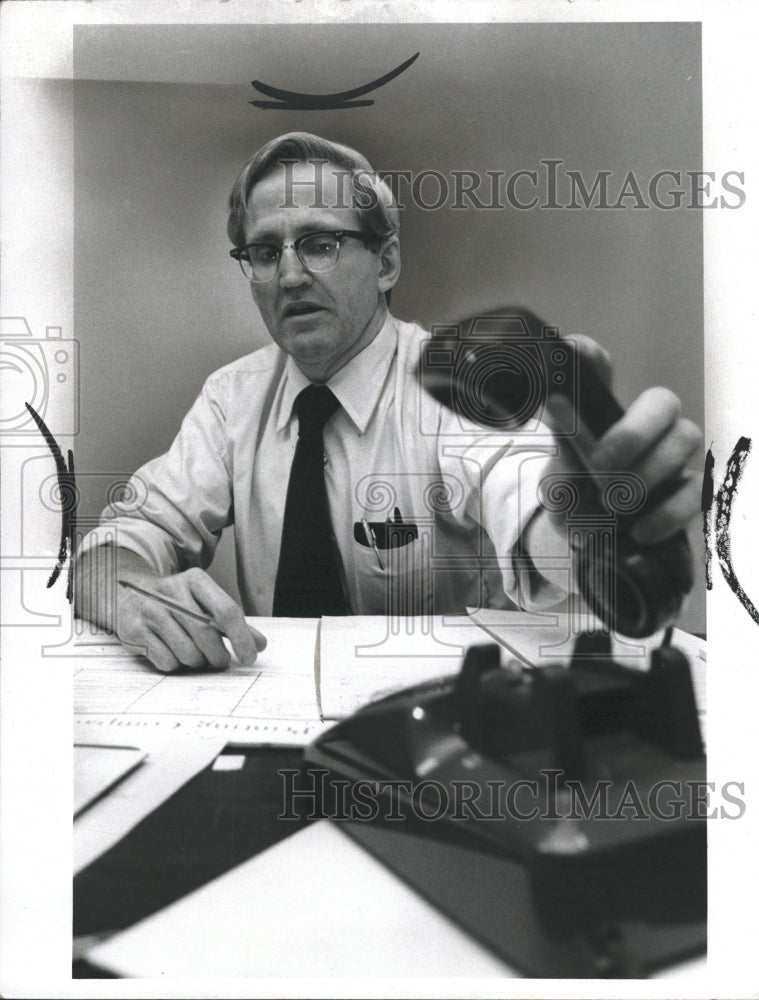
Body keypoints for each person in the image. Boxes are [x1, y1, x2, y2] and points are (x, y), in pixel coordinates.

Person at [75, 132, 702, 673]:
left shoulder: (448, 385)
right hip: (265, 721)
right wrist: (129, 593)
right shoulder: (231, 397)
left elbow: (526, 499)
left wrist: (581, 518)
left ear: (387, 263)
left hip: (432, 739)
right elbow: (130, 535)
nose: (290, 275)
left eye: (320, 243)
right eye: (266, 252)